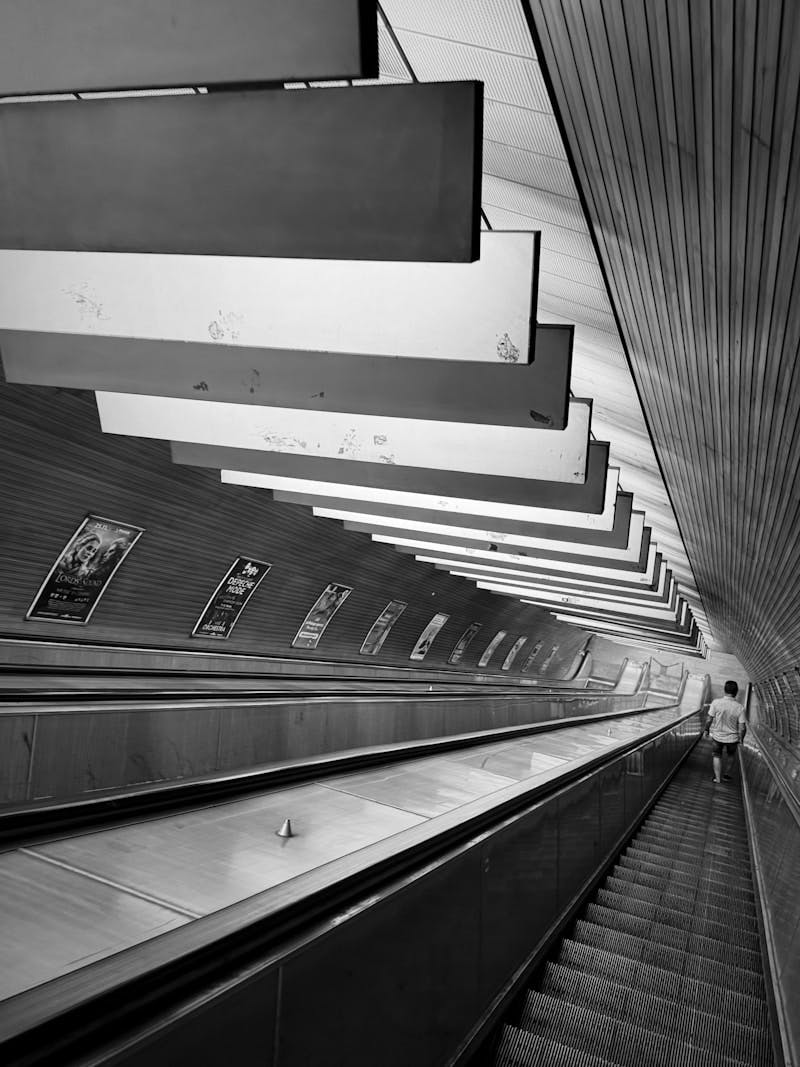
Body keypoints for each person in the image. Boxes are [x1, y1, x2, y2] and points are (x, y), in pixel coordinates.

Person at [705, 680, 746, 783]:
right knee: (731, 755)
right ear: (736, 692)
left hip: (717, 736)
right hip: (732, 738)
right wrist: (741, 739)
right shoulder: (740, 707)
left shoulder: (716, 702)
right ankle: (726, 775)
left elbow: (709, 719)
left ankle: (717, 778)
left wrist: (706, 730)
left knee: (717, 755)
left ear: (724, 690)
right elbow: (742, 727)